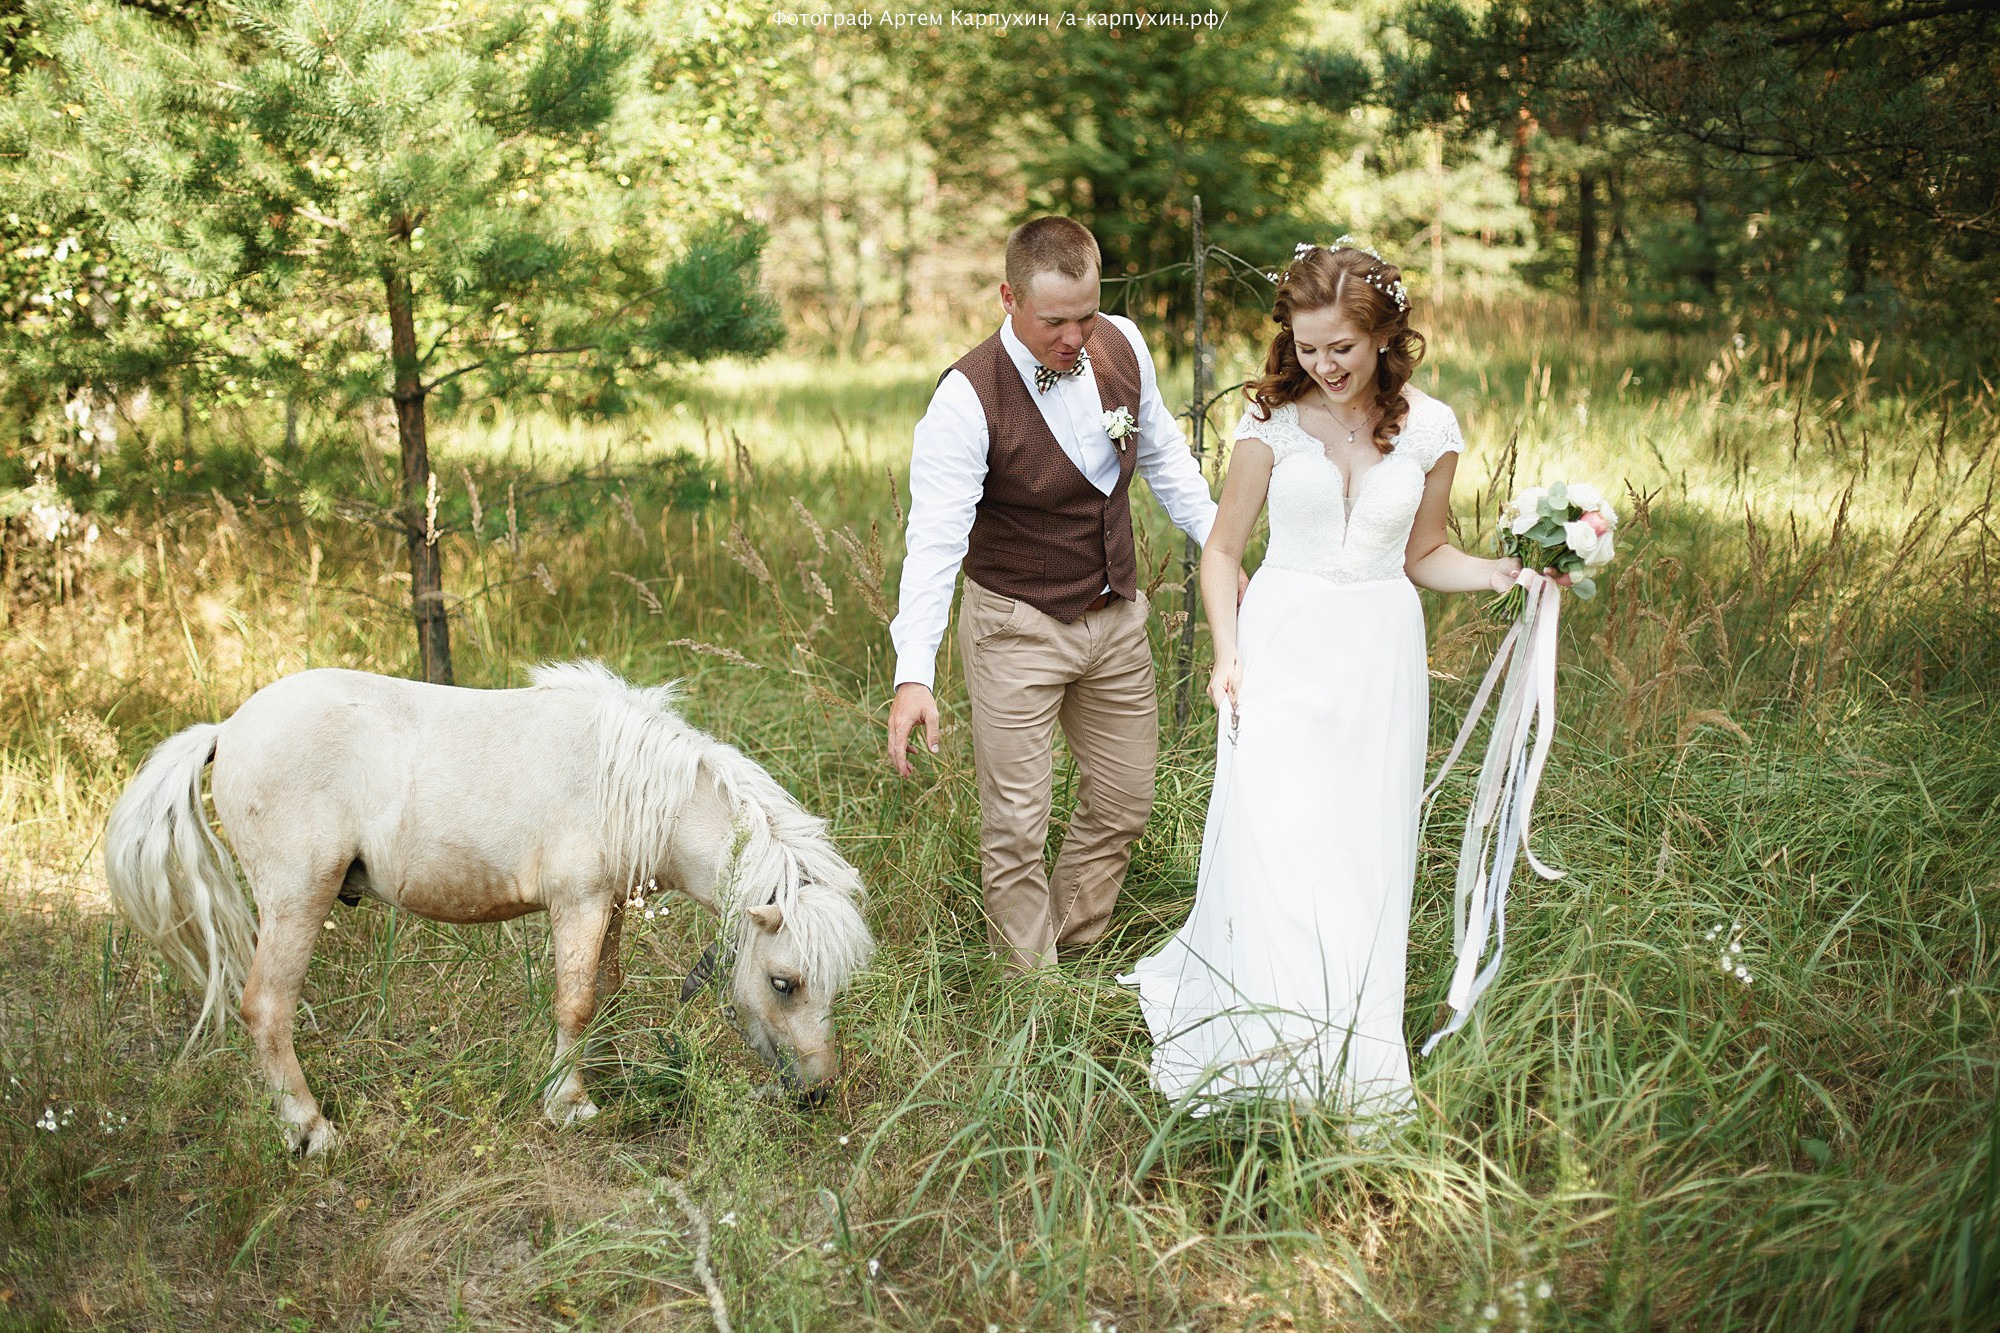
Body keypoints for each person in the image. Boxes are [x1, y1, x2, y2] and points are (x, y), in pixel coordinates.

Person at [1120, 240, 1547, 1117]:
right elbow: (1223, 552)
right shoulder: (1271, 424)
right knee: (1279, 840)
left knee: (1360, 850)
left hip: (1378, 658)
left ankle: (1353, 1039)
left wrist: (1510, 574)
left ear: (1385, 335)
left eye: (1342, 349)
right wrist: (1228, 652)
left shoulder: (1431, 430)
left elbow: (1425, 553)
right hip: (1281, 642)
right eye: (1308, 348)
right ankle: (1267, 1039)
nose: (1324, 365)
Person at [885, 216, 1223, 974]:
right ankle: (1030, 992)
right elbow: (934, 542)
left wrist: (1225, 558)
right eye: (1055, 321)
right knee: (1016, 827)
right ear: (1008, 297)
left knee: (1126, 799)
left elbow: (1166, 460)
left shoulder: (1124, 345)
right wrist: (914, 672)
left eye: (1086, 315)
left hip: (1115, 617)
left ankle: (1067, 942)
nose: (1075, 337)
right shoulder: (966, 400)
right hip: (1016, 626)